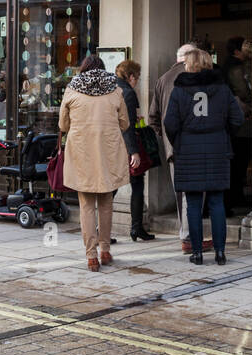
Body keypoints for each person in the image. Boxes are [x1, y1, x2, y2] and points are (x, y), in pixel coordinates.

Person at [163, 48, 244, 266]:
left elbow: (169, 123)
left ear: (188, 65)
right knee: (217, 202)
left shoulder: (179, 90)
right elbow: (237, 118)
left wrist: (179, 140)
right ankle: (220, 252)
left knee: (193, 203)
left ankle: (197, 253)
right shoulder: (222, 88)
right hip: (217, 148)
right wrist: (224, 134)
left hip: (189, 150)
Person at [59, 54, 134, 272]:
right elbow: (125, 123)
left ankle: (91, 256)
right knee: (106, 203)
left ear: (83, 69)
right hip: (108, 152)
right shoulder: (115, 90)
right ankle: (105, 250)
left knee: (86, 205)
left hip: (82, 152)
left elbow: (63, 125)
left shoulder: (72, 90)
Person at [148, 42, 199, 254]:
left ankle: (185, 234)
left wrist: (167, 138)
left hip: (173, 147)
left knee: (181, 192)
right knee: (197, 192)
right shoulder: (198, 77)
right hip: (197, 144)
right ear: (191, 57)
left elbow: (153, 118)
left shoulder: (162, 79)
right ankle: (189, 236)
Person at [115, 59, 155, 241]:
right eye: (137, 77)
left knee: (111, 187)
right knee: (137, 183)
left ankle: (101, 228)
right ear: (130, 76)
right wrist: (134, 151)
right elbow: (128, 126)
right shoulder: (128, 93)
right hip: (126, 146)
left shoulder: (112, 88)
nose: (137, 80)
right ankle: (136, 227)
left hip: (112, 145)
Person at [222, 36, 252, 216]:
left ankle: (236, 195)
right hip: (241, 123)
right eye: (245, 46)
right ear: (237, 50)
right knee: (238, 163)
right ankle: (234, 197)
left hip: (238, 123)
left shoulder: (232, 66)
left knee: (238, 163)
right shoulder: (235, 68)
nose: (248, 47)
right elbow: (242, 90)